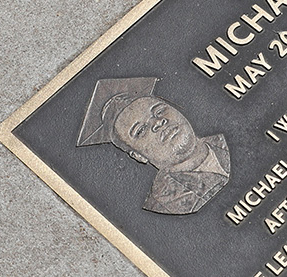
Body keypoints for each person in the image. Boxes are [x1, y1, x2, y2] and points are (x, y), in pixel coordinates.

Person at [77, 78, 231, 215]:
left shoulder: (228, 139)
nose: (158, 122)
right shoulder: (167, 203)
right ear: (138, 156)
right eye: (141, 130)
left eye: (159, 110)